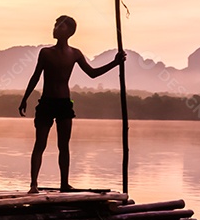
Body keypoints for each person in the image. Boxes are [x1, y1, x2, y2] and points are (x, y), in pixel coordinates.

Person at [18, 15, 125, 193]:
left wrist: (115, 62)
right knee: (40, 144)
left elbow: (92, 73)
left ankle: (64, 184)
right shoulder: (46, 52)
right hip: (46, 102)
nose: (55, 29)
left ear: (69, 32)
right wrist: (25, 98)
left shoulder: (75, 54)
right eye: (55, 25)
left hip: (64, 104)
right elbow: (36, 76)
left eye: (59, 26)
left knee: (64, 145)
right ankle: (33, 185)